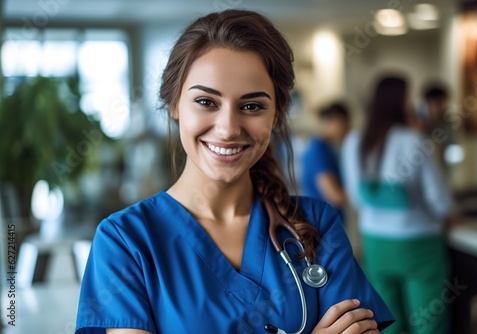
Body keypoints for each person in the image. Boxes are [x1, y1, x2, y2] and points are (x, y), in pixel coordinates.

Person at [75, 10, 394, 334]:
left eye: (252, 106)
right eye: (206, 102)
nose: (228, 129)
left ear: (277, 114)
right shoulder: (125, 241)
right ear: (173, 104)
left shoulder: (317, 227)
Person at [342, 76, 454, 334]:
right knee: (427, 321)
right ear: (402, 101)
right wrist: (449, 215)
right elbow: (439, 200)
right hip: (418, 246)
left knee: (387, 321)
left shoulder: (353, 142)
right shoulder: (413, 141)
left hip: (375, 243)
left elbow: (355, 198)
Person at [301, 102, 350, 217]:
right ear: (336, 121)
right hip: (323, 224)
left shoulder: (328, 148)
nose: (348, 128)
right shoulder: (318, 150)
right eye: (346, 123)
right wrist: (364, 197)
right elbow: (334, 195)